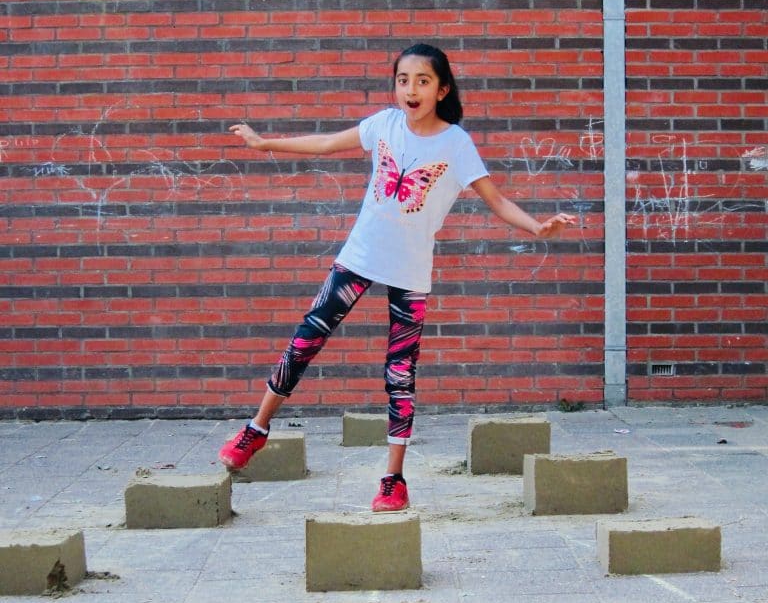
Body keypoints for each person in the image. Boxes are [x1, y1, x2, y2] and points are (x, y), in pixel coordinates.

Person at [219, 43, 576, 511]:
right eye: (403, 80)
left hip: (410, 272)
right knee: (305, 340)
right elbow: (327, 143)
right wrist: (263, 143)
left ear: (442, 90)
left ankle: (394, 480)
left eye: (423, 81)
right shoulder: (384, 124)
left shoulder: (456, 144)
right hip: (358, 258)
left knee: (400, 372)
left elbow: (497, 200)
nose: (411, 89)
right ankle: (256, 429)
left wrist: (537, 227)